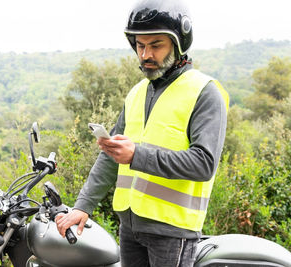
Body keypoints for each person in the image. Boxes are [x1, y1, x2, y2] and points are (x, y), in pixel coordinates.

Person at [56, 0, 229, 266]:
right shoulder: (137, 93)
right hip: (130, 227)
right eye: (140, 45)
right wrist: (83, 206)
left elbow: (204, 163)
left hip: (173, 232)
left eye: (156, 45)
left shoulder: (205, 92)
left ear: (179, 43)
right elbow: (110, 156)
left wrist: (136, 154)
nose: (146, 54)